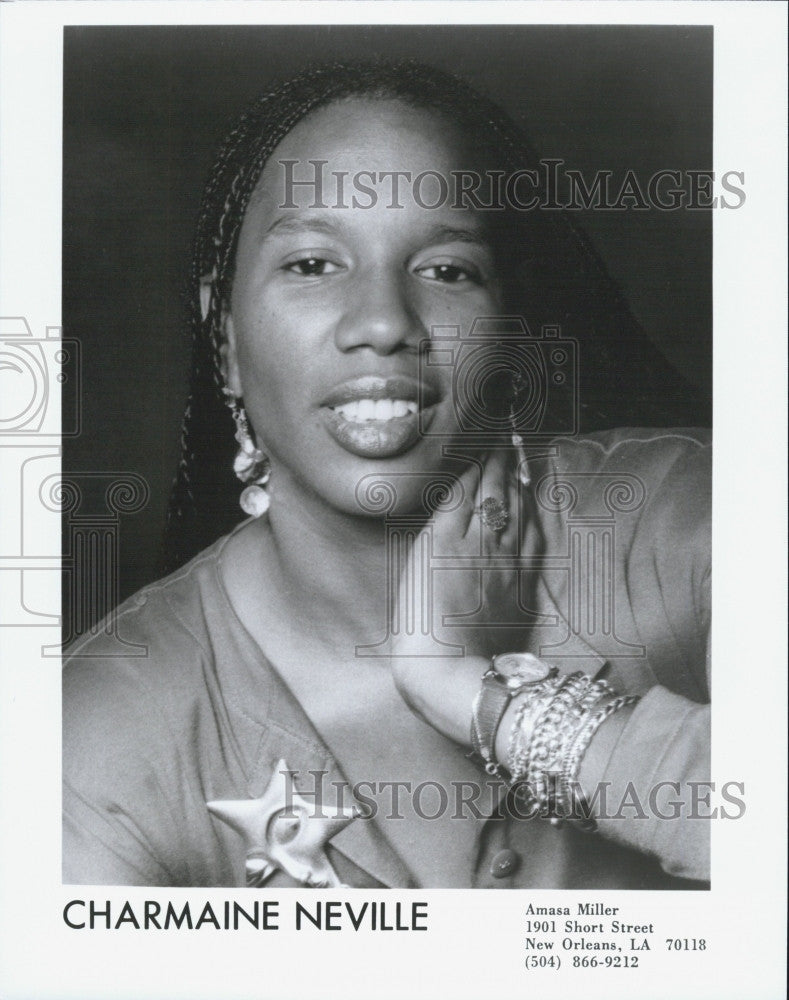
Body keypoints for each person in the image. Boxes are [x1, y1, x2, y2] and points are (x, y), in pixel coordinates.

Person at [63, 60, 710, 889]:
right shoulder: (96, 733)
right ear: (222, 340)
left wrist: (477, 695)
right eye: (311, 264)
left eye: (446, 270)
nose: (382, 323)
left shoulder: (687, 523)